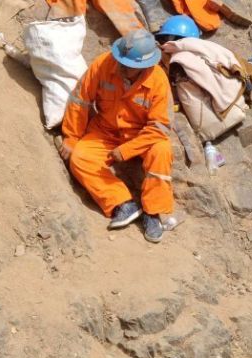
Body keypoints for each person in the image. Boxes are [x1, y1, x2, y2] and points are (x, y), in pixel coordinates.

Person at [58, 29, 174, 243]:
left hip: (141, 136)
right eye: (120, 60)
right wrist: (71, 137)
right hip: (105, 131)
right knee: (80, 158)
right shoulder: (103, 64)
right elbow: (80, 99)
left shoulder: (158, 81)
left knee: (162, 150)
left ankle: (152, 212)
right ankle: (123, 203)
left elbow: (160, 127)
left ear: (144, 66)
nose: (121, 66)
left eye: (127, 65)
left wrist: (128, 149)